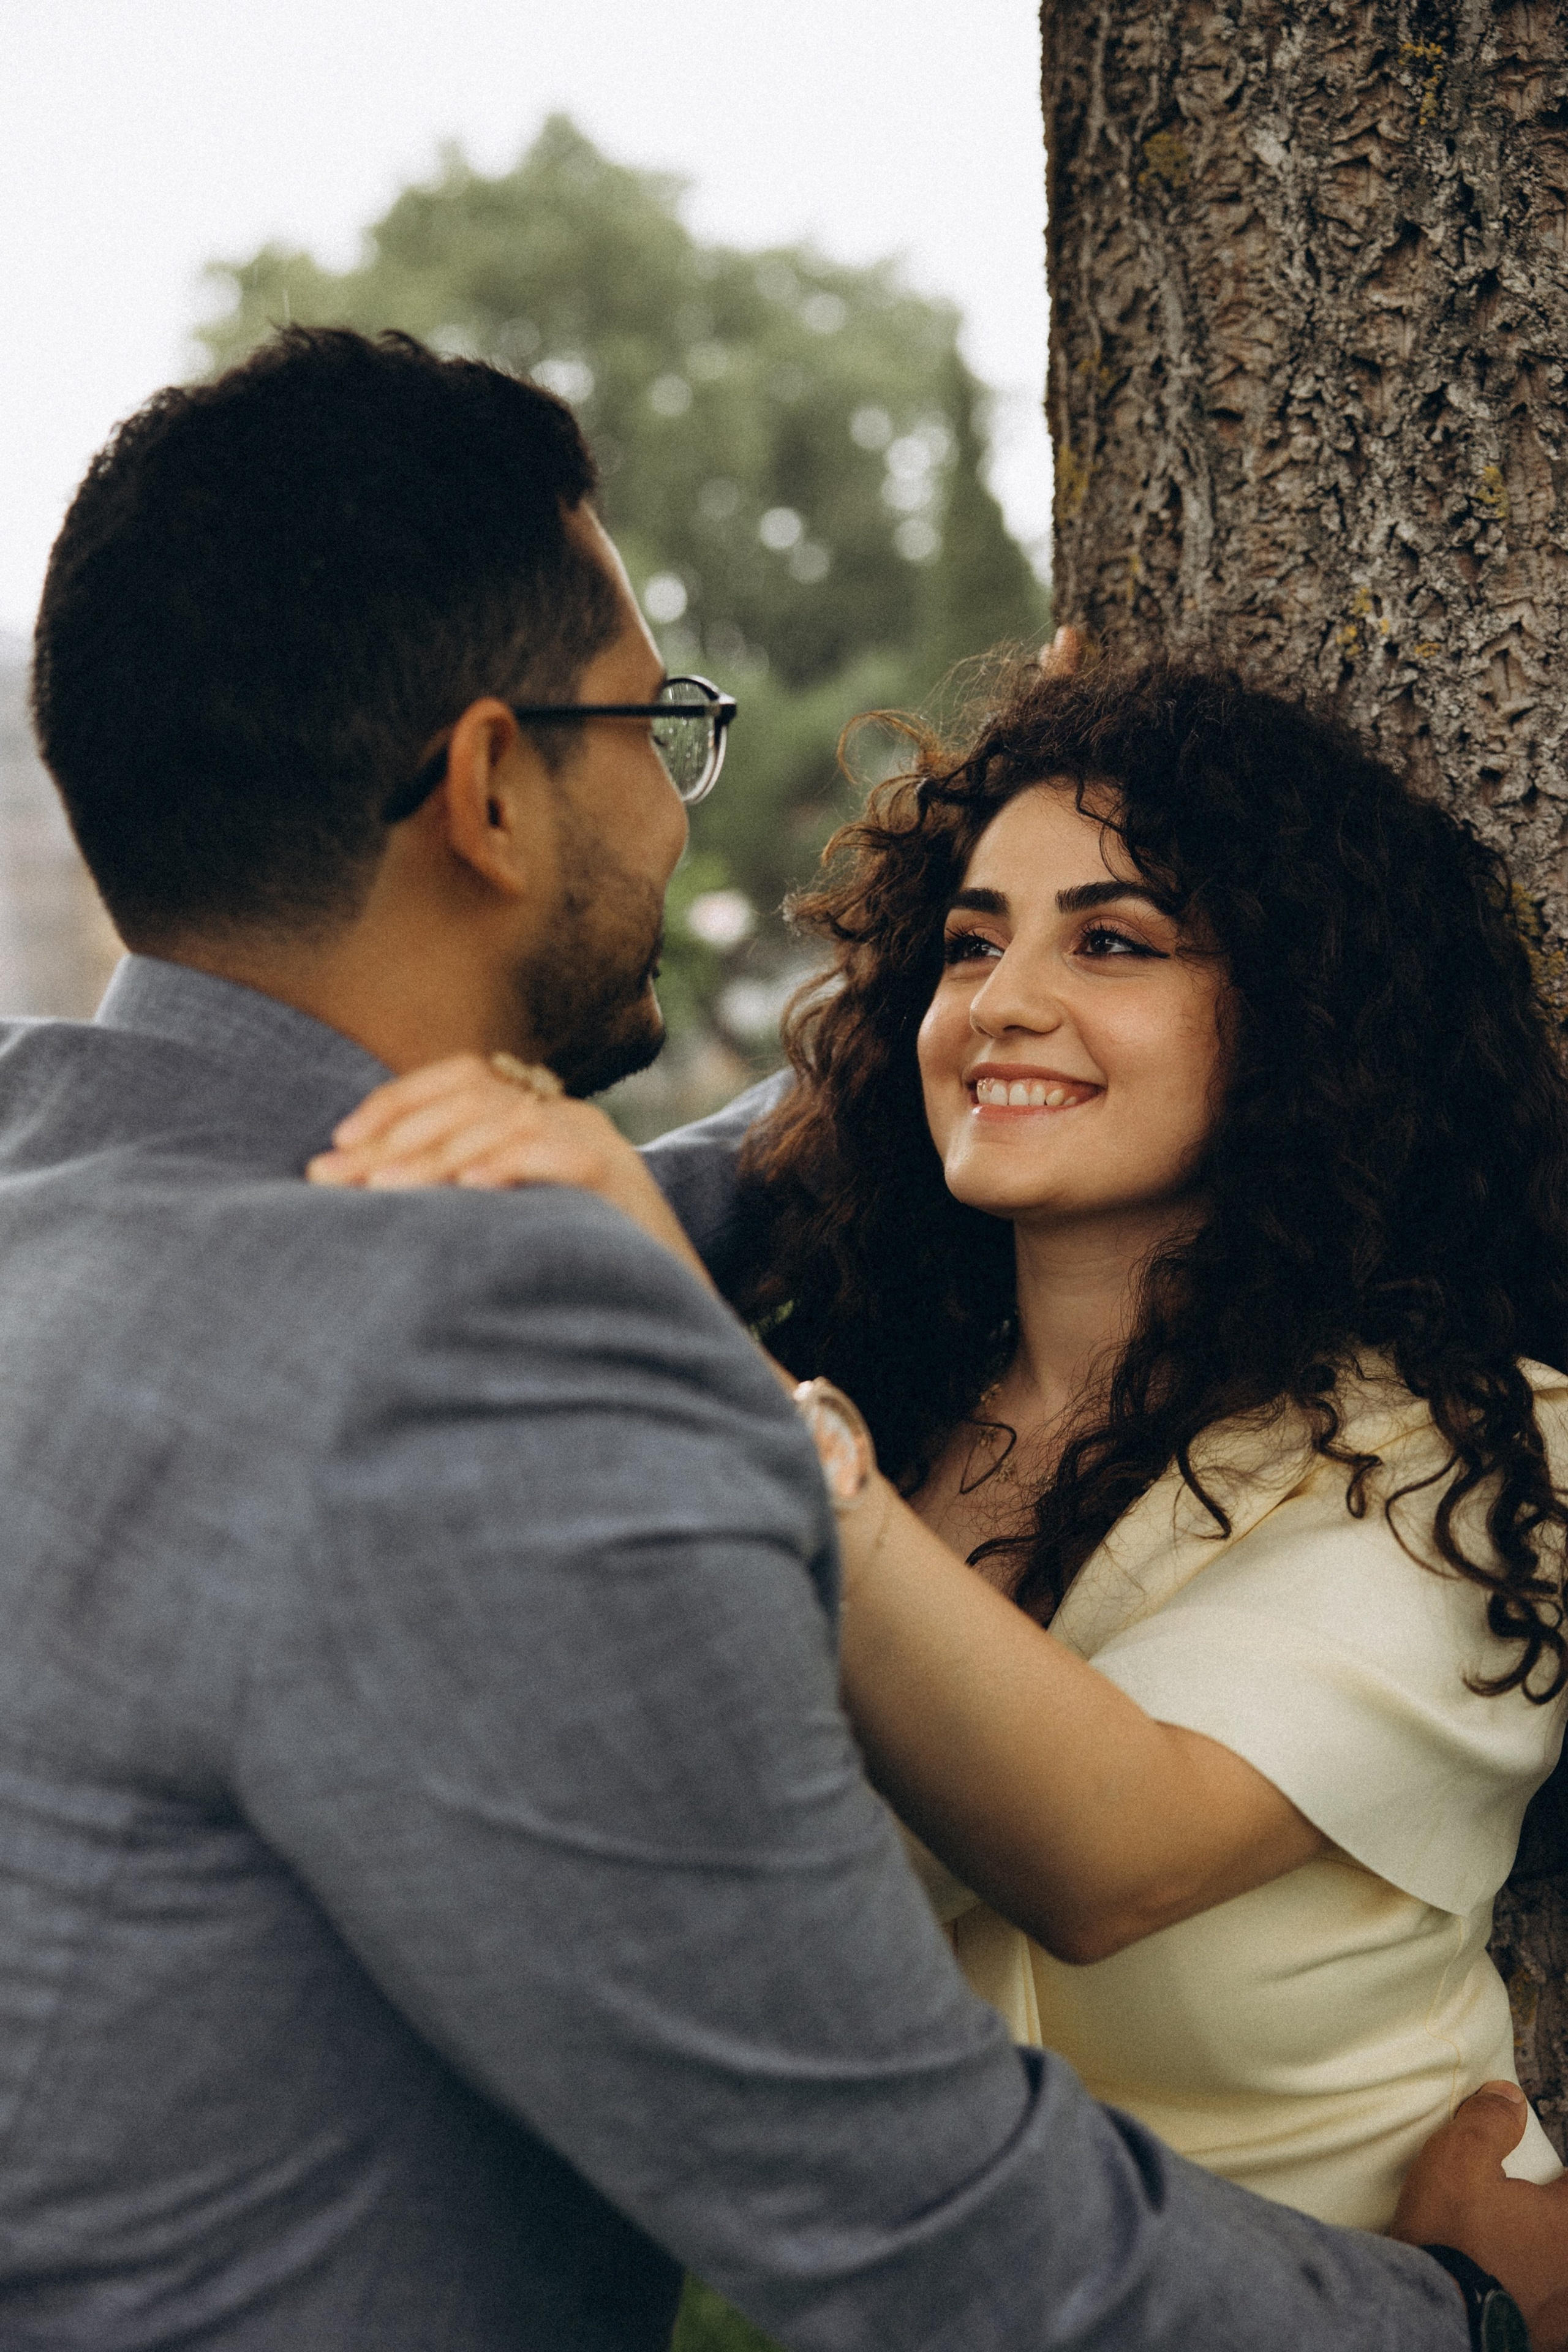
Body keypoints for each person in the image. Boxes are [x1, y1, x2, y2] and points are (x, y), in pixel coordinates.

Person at [4, 323, 1561, 2352]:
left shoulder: (78, 1215)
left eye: (1122, 934)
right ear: (489, 790)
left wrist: (977, 1005)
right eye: (654, 725)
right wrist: (1464, 2321)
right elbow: (906, 2217)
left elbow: (593, 1210)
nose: (673, 800)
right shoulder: (477, 1361)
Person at [320, 662, 1568, 2248]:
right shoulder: (882, 1402)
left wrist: (715, 1386)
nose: (1001, 1003)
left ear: (1308, 1017)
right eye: (971, 943)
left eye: (1110, 941)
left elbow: (1109, 1847)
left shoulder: (1470, 1451)